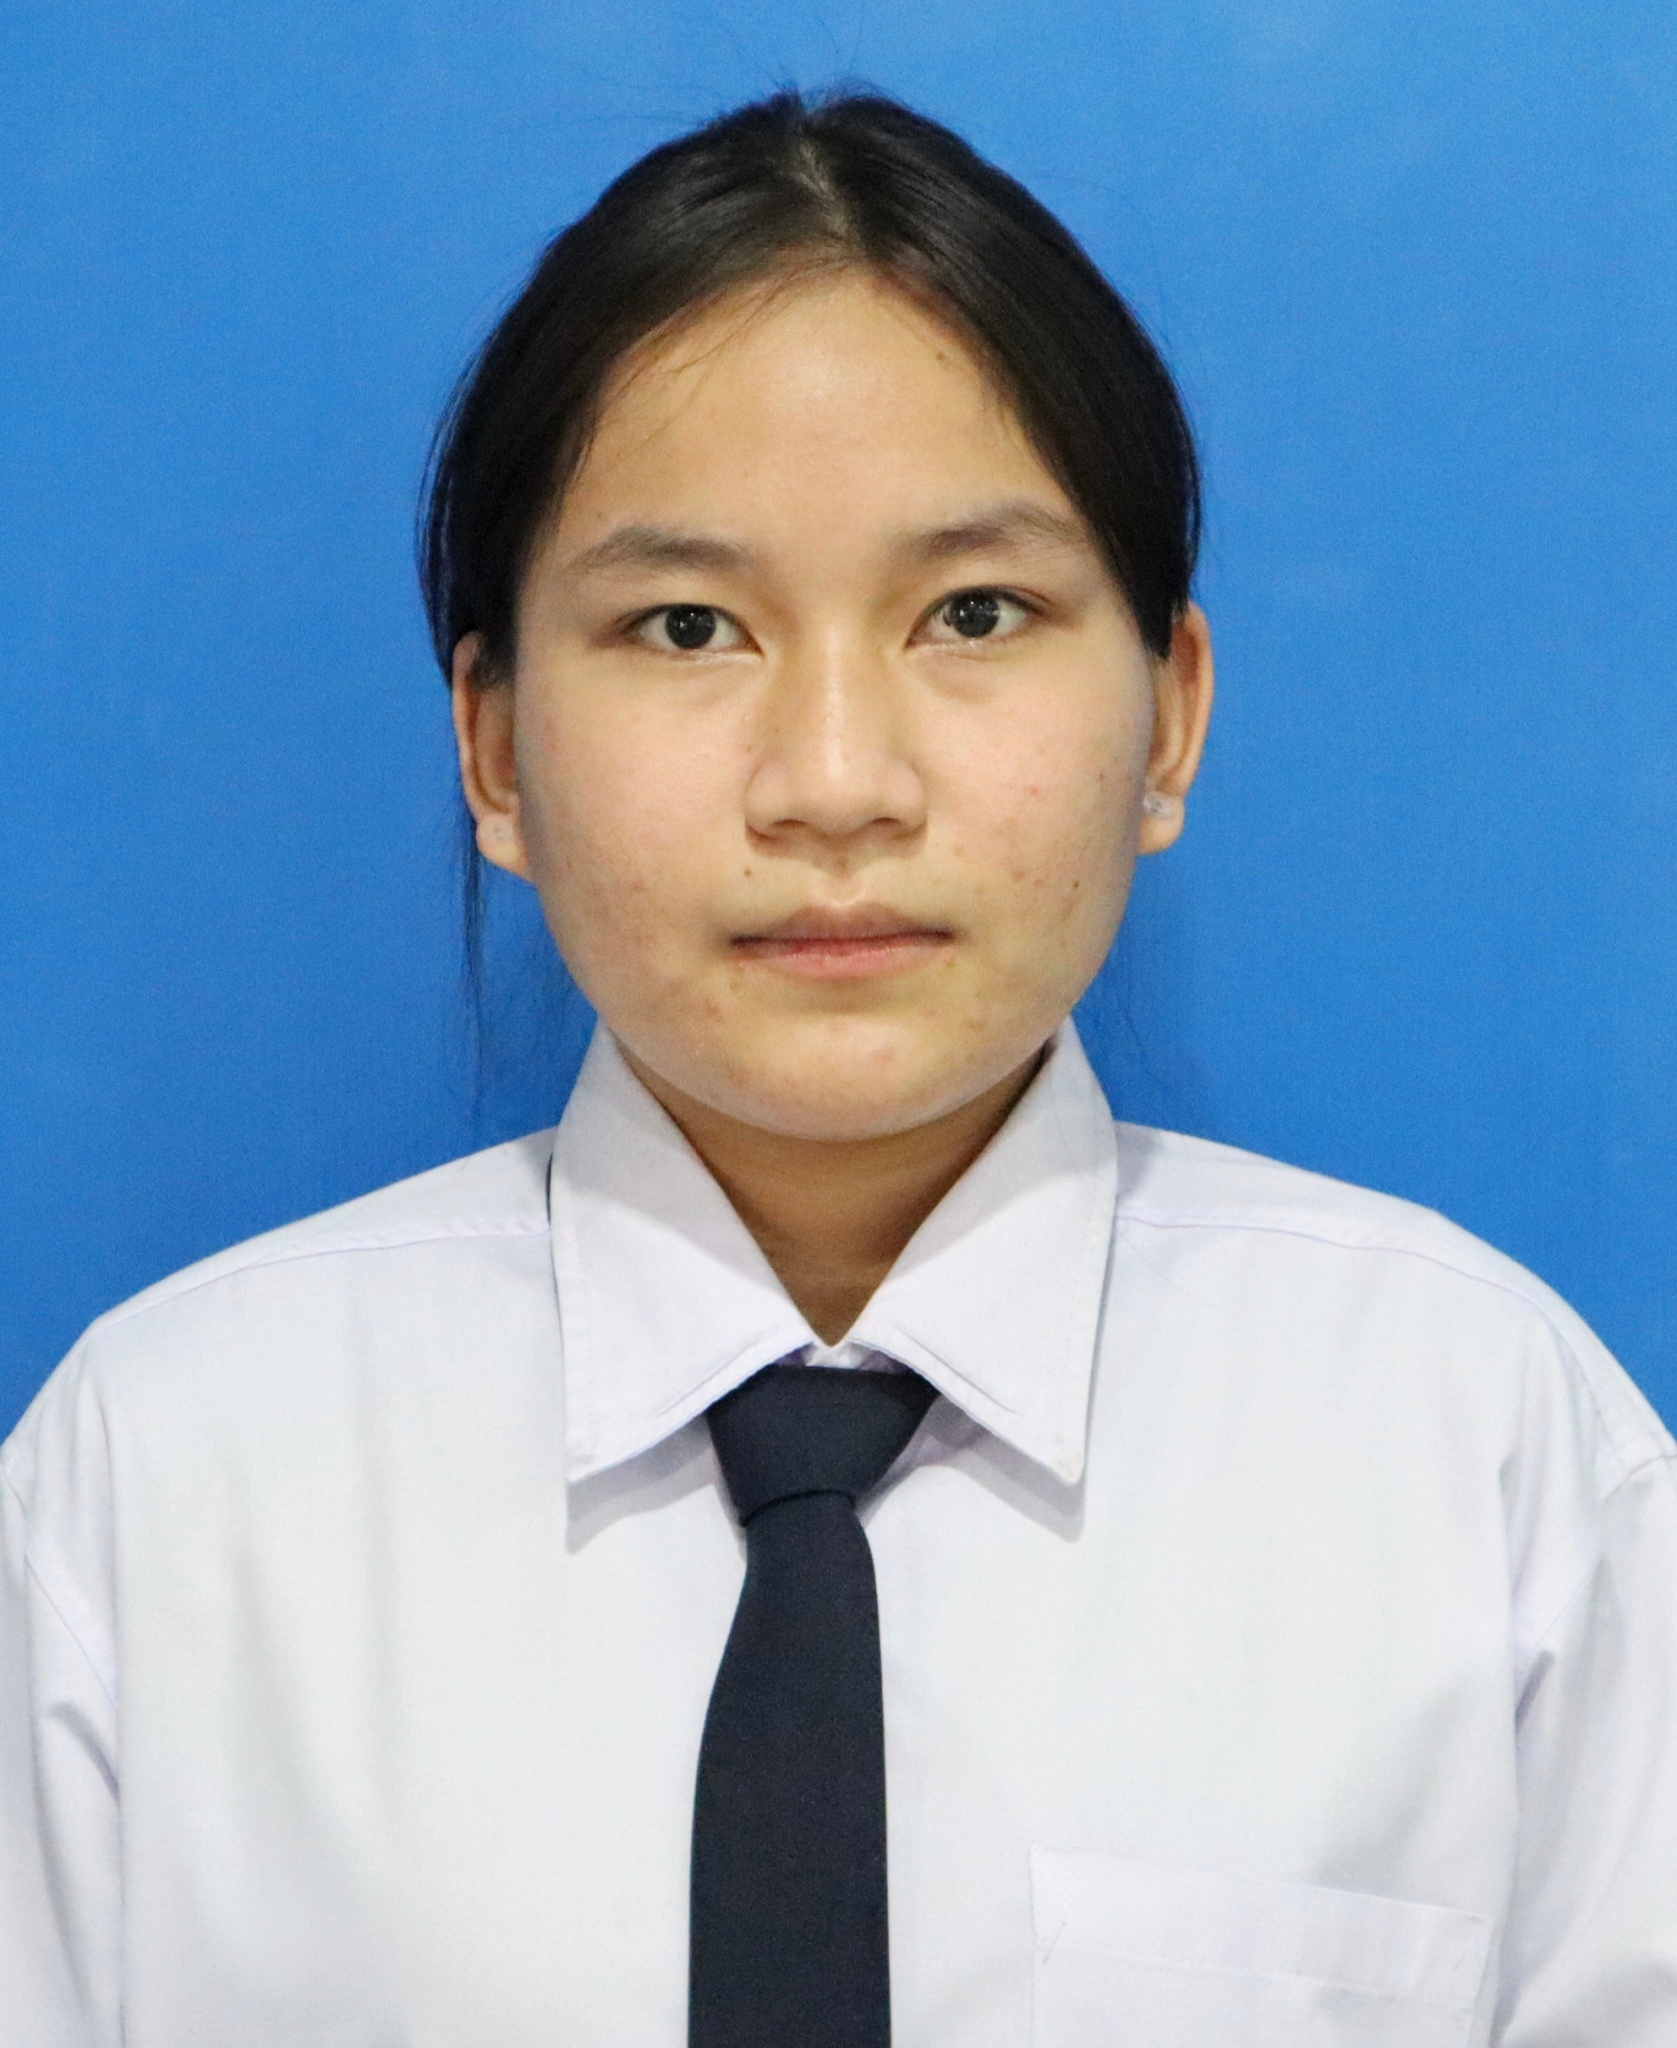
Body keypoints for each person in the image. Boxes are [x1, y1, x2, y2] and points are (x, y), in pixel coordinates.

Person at [2, 87, 1673, 2048]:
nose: (832, 782)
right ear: (493, 750)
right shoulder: (158, 1486)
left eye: (972, 613)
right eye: (684, 625)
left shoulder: (1486, 1458)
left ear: (1165, 720)